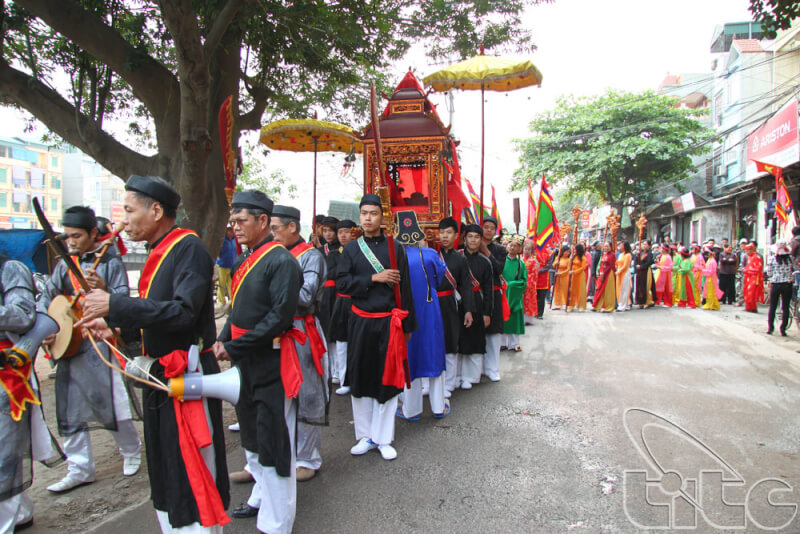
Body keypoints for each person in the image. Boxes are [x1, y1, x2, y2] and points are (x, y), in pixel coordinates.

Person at [79, 176, 230, 533]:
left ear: (156, 210)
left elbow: (182, 313)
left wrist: (115, 304)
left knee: (191, 468)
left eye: (130, 210)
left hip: (186, 377)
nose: (124, 219)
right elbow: (154, 316)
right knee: (166, 466)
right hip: (161, 377)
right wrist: (116, 328)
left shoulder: (188, 248)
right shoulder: (159, 251)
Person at [213, 192, 301, 532]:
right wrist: (223, 337)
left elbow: (279, 318)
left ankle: (278, 521)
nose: (235, 228)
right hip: (244, 363)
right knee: (250, 433)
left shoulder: (282, 262)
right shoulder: (243, 261)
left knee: (273, 438)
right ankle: (261, 495)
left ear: (263, 221)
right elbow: (236, 310)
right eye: (233, 222)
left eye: (241, 221)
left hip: (270, 363)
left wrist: (236, 345)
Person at [38, 206, 142, 494]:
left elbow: (123, 300)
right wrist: (46, 329)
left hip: (98, 344)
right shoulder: (63, 265)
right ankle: (80, 468)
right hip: (69, 346)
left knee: (109, 401)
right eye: (68, 236)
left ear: (94, 233)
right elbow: (47, 300)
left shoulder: (109, 263)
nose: (71, 242)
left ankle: (131, 450)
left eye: (77, 236)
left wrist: (105, 289)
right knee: (70, 407)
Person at [337, 194, 417, 461]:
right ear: (359, 216)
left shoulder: (396, 248)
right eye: (364, 213)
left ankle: (384, 438)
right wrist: (374, 277)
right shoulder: (350, 249)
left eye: (373, 213)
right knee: (360, 377)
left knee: (387, 379)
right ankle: (365, 436)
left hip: (388, 324)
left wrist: (407, 325)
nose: (368, 218)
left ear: (383, 217)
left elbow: (405, 289)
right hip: (360, 322)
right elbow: (342, 284)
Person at [0, 256, 64, 533]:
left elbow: (23, 314)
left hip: (7, 374)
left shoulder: (10, 269)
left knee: (4, 449)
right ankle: (21, 511)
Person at [271, 205, 330, 484]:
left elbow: (305, 296)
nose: (272, 233)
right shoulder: (271, 253)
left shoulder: (311, 257)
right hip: (273, 329)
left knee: (307, 394)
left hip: (300, 328)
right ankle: (277, 454)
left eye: (275, 228)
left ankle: (308, 457)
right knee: (277, 394)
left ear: (292, 227)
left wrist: (267, 297)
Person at [396, 211, 448, 420]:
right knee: (433, 351)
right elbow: (440, 277)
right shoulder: (430, 254)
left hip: (405, 311)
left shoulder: (394, 256)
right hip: (429, 308)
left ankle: (411, 410)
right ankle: (438, 407)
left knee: (411, 354)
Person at [436, 218, 474, 398]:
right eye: (442, 232)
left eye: (448, 232)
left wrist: (468, 310)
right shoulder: (430, 254)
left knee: (451, 342)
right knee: (433, 342)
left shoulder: (460, 259)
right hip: (432, 305)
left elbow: (466, 286)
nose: (444, 236)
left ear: (456, 235)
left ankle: (449, 383)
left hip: (450, 304)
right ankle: (433, 382)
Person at [457, 224, 493, 389]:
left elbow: (488, 290)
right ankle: (458, 376)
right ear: (464, 238)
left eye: (476, 237)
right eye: (470, 236)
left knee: (475, 340)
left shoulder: (485, 262)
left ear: (481, 240)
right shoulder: (457, 257)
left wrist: (487, 312)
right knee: (459, 341)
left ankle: (472, 376)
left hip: (477, 304)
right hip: (458, 303)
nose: (473, 240)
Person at [329, 220, 357, 395]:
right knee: (341, 342)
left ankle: (355, 379)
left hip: (356, 301)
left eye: (347, 232)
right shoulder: (332, 254)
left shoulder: (359, 253)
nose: (343, 236)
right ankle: (342, 377)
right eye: (340, 233)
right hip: (340, 302)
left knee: (357, 342)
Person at [479, 217, 506, 383]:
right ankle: (480, 367)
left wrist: (486, 251)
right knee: (478, 332)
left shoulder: (500, 250)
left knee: (494, 333)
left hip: (494, 294)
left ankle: (493, 368)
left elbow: (498, 269)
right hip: (477, 294)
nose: (488, 230)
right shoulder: (471, 246)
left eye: (491, 228)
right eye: (485, 227)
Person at [501, 234, 527, 350]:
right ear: (507, 246)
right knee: (503, 318)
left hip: (515, 297)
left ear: (519, 249)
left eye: (516, 246)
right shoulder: (501, 261)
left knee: (514, 317)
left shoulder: (521, 264)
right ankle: (502, 343)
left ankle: (514, 343)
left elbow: (523, 281)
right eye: (511, 245)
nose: (512, 248)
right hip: (502, 295)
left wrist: (511, 285)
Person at [317, 216, 339, 339]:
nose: (328, 234)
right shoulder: (320, 251)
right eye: (325, 231)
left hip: (338, 291)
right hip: (324, 293)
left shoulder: (344, 249)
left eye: (330, 230)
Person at [766, 241, 794, 335]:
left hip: (776, 284)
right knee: (785, 307)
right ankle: (783, 329)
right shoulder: (790, 259)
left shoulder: (772, 259)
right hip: (787, 284)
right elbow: (793, 270)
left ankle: (770, 328)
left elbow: (769, 273)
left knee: (773, 306)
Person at [215, 226, 237, 314]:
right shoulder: (222, 240)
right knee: (221, 284)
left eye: (231, 230)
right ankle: (221, 302)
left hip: (231, 265)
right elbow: (218, 251)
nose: (231, 232)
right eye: (229, 230)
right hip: (222, 265)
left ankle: (232, 302)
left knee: (231, 285)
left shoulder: (234, 240)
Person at [593, 242, 616, 313]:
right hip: (602, 274)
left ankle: (609, 307)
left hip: (609, 274)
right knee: (600, 289)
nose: (606, 248)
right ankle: (598, 306)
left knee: (608, 291)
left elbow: (610, 266)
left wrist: (603, 273)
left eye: (607, 246)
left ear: (611, 247)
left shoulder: (612, 255)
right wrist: (600, 273)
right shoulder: (604, 255)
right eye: (605, 246)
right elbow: (601, 264)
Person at [742, 243, 764, 313]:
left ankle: (753, 307)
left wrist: (748, 270)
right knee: (747, 291)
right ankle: (748, 307)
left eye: (748, 250)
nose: (747, 252)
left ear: (752, 250)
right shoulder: (748, 257)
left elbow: (759, 268)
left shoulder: (757, 257)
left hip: (755, 277)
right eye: (746, 251)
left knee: (752, 292)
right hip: (748, 277)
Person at [521, 240, 538, 325]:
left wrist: (527, 282)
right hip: (520, 284)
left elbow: (534, 274)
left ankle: (528, 319)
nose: (526, 251)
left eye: (528, 249)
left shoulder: (533, 261)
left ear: (531, 251)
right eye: (525, 249)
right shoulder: (520, 260)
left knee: (529, 302)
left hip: (529, 285)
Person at [701, 246, 723, 311]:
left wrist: (704, 270)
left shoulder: (712, 261)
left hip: (711, 278)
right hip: (709, 278)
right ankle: (713, 304)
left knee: (711, 292)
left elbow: (711, 271)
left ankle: (710, 304)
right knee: (709, 291)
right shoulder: (709, 260)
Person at [634, 240, 655, 309]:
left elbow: (649, 262)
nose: (644, 246)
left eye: (646, 244)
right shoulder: (641, 253)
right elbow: (636, 261)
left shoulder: (650, 254)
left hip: (646, 271)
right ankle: (640, 302)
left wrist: (641, 266)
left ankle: (648, 301)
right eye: (643, 244)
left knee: (646, 286)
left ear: (649, 246)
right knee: (639, 286)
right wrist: (637, 256)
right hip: (640, 272)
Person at [568, 243, 588, 312]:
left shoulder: (583, 258)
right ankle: (571, 305)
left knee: (580, 290)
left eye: (575, 249)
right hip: (573, 275)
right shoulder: (573, 257)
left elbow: (583, 267)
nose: (573, 250)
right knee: (572, 289)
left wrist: (574, 271)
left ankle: (581, 305)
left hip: (580, 275)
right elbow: (570, 264)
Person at [534, 245, 553, 319]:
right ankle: (534, 312)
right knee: (534, 296)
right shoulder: (534, 251)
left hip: (544, 277)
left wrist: (539, 270)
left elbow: (548, 266)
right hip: (534, 276)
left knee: (541, 297)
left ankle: (540, 313)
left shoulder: (550, 253)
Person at [551, 245, 571, 310]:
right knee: (557, 290)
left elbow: (568, 269)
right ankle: (557, 304)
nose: (567, 253)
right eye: (566, 251)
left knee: (564, 290)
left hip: (564, 276)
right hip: (557, 275)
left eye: (569, 252)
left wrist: (561, 273)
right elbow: (553, 265)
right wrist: (556, 263)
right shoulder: (558, 258)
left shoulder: (568, 260)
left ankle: (565, 303)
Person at [615, 241, 632, 311]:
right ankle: (623, 304)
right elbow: (617, 263)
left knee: (624, 289)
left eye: (621, 245)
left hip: (624, 273)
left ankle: (623, 306)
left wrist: (618, 271)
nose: (620, 247)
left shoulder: (628, 255)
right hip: (619, 272)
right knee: (619, 288)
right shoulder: (620, 254)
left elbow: (625, 266)